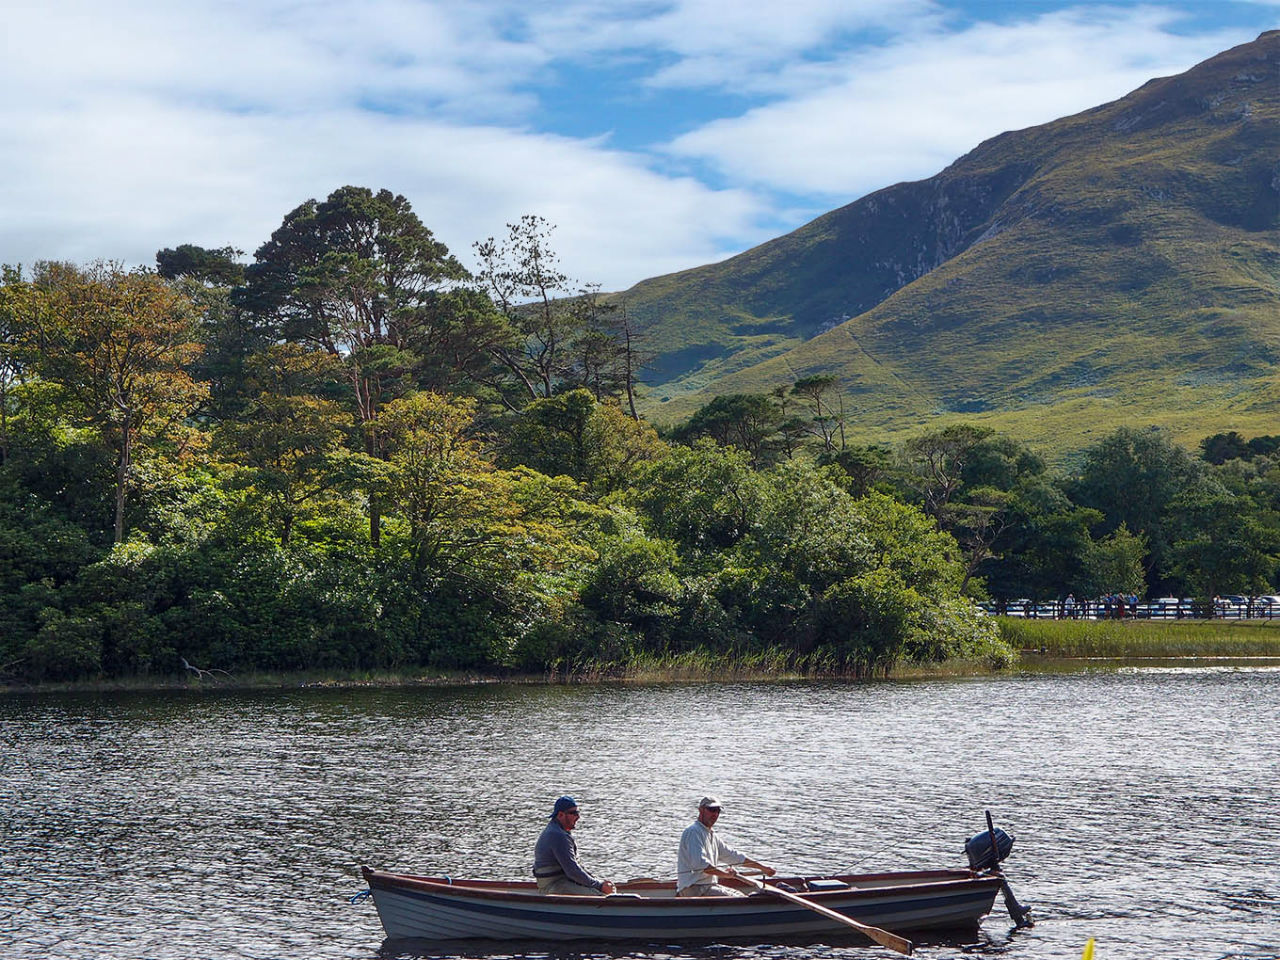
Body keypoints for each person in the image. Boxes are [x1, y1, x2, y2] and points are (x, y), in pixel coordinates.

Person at [676, 796, 774, 896]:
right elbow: (701, 864)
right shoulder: (694, 832)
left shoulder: (711, 835)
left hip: (709, 886)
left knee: (741, 895)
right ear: (701, 810)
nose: (715, 814)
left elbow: (733, 856)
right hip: (695, 889)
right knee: (741, 900)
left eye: (718, 811)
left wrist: (763, 868)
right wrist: (725, 874)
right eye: (711, 810)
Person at [532, 795, 616, 895]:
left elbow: (577, 867)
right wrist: (599, 886)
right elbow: (572, 871)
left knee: (602, 891)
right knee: (601, 897)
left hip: (564, 881)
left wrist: (599, 882)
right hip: (554, 885)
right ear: (560, 815)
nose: (578, 817)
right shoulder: (557, 835)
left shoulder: (560, 831)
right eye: (573, 813)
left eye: (578, 812)